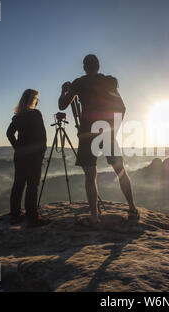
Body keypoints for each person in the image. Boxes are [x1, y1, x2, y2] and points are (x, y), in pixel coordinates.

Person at [58, 54, 139, 226]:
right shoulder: (109, 82)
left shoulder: (79, 83)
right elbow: (122, 107)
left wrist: (64, 91)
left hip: (88, 131)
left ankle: (94, 216)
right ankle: (132, 208)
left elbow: (62, 105)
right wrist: (114, 129)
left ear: (84, 67)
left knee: (90, 175)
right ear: (98, 66)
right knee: (120, 170)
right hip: (107, 129)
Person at [6, 89, 50, 227]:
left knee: (18, 183)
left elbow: (9, 133)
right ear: (33, 100)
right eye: (37, 98)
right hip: (34, 155)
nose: (38, 101)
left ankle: (15, 214)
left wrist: (17, 147)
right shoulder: (36, 114)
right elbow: (42, 137)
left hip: (20, 155)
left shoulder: (18, 116)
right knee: (32, 185)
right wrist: (42, 152)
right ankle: (32, 217)